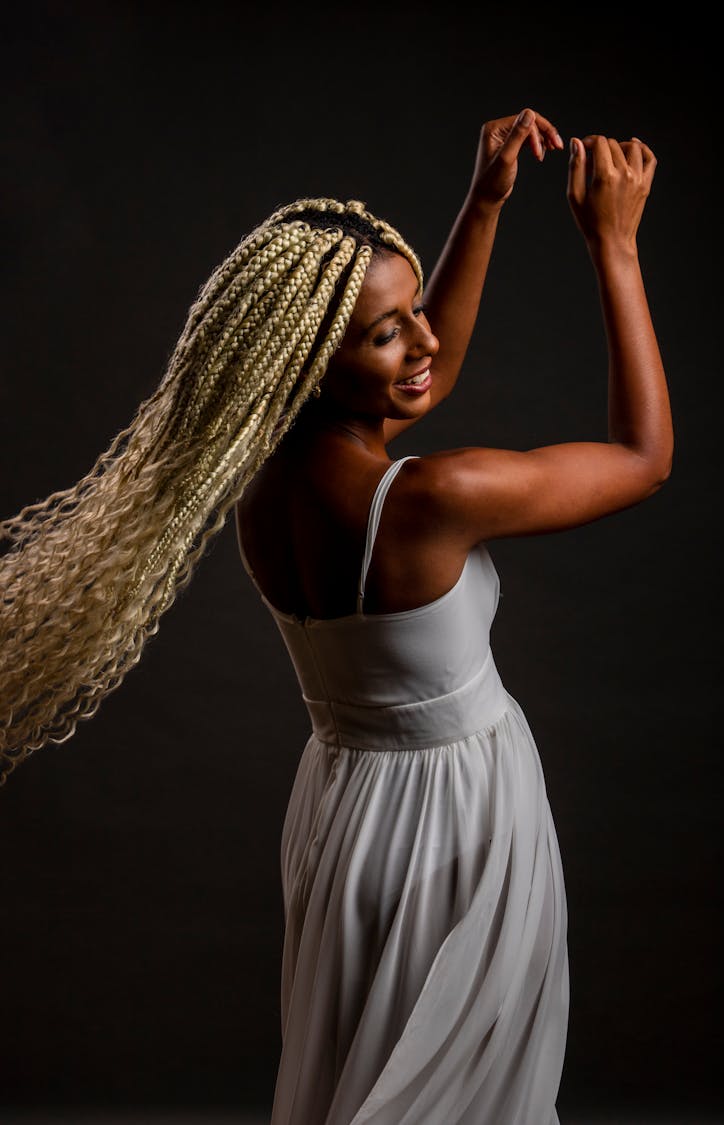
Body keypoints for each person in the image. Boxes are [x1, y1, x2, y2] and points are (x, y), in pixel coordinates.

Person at [0, 107, 672, 1124]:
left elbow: (417, 379)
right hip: (460, 818)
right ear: (315, 361)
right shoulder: (432, 500)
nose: (425, 344)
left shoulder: (262, 485)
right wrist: (614, 247)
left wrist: (483, 203)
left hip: (347, 813)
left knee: (367, 1070)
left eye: (412, 312)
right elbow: (644, 459)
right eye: (386, 331)